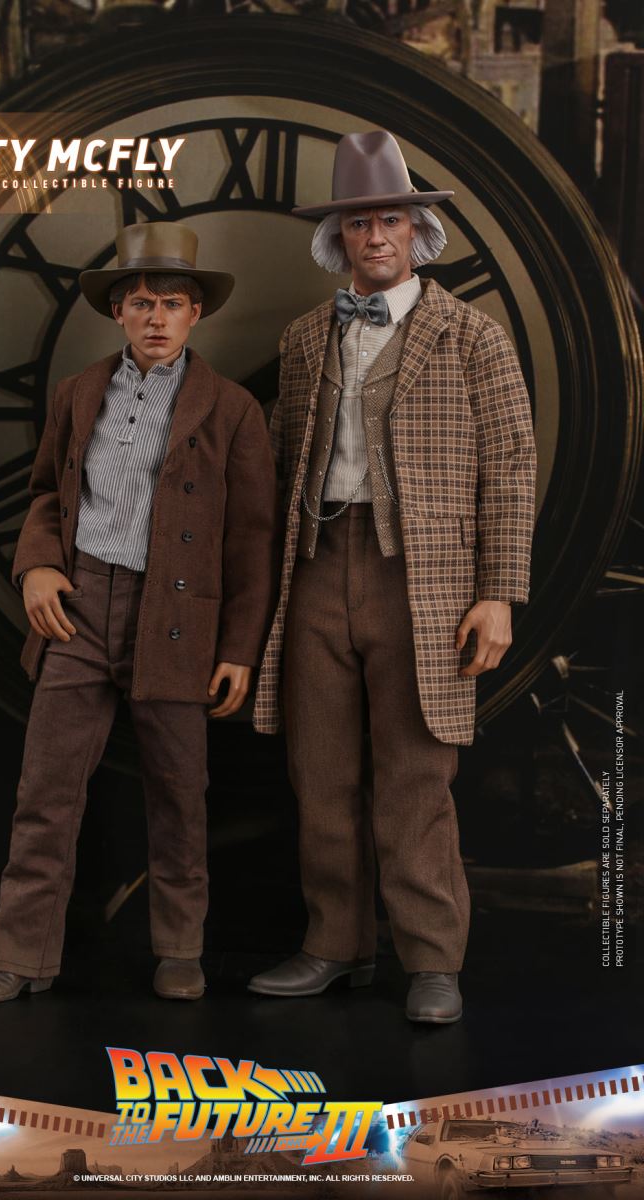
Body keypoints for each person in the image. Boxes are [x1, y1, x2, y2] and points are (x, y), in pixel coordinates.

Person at [249, 130, 536, 1023]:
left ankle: (432, 962)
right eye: (358, 223)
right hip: (316, 566)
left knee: (415, 779)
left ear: (417, 232)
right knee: (320, 775)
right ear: (338, 238)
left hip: (422, 577)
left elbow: (512, 467)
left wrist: (499, 593)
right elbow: (280, 457)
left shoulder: (472, 336)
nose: (375, 236)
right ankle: (334, 946)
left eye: (390, 221)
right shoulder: (305, 338)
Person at [0, 221, 278, 1004]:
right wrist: (37, 566)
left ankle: (180, 950)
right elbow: (45, 494)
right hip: (79, 607)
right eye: (141, 303)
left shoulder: (231, 410)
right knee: (46, 792)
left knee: (178, 792)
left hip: (176, 614)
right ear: (117, 312)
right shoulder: (78, 393)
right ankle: (17, 958)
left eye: (172, 303)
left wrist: (238, 648)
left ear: (196, 313)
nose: (156, 318)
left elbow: (252, 539)